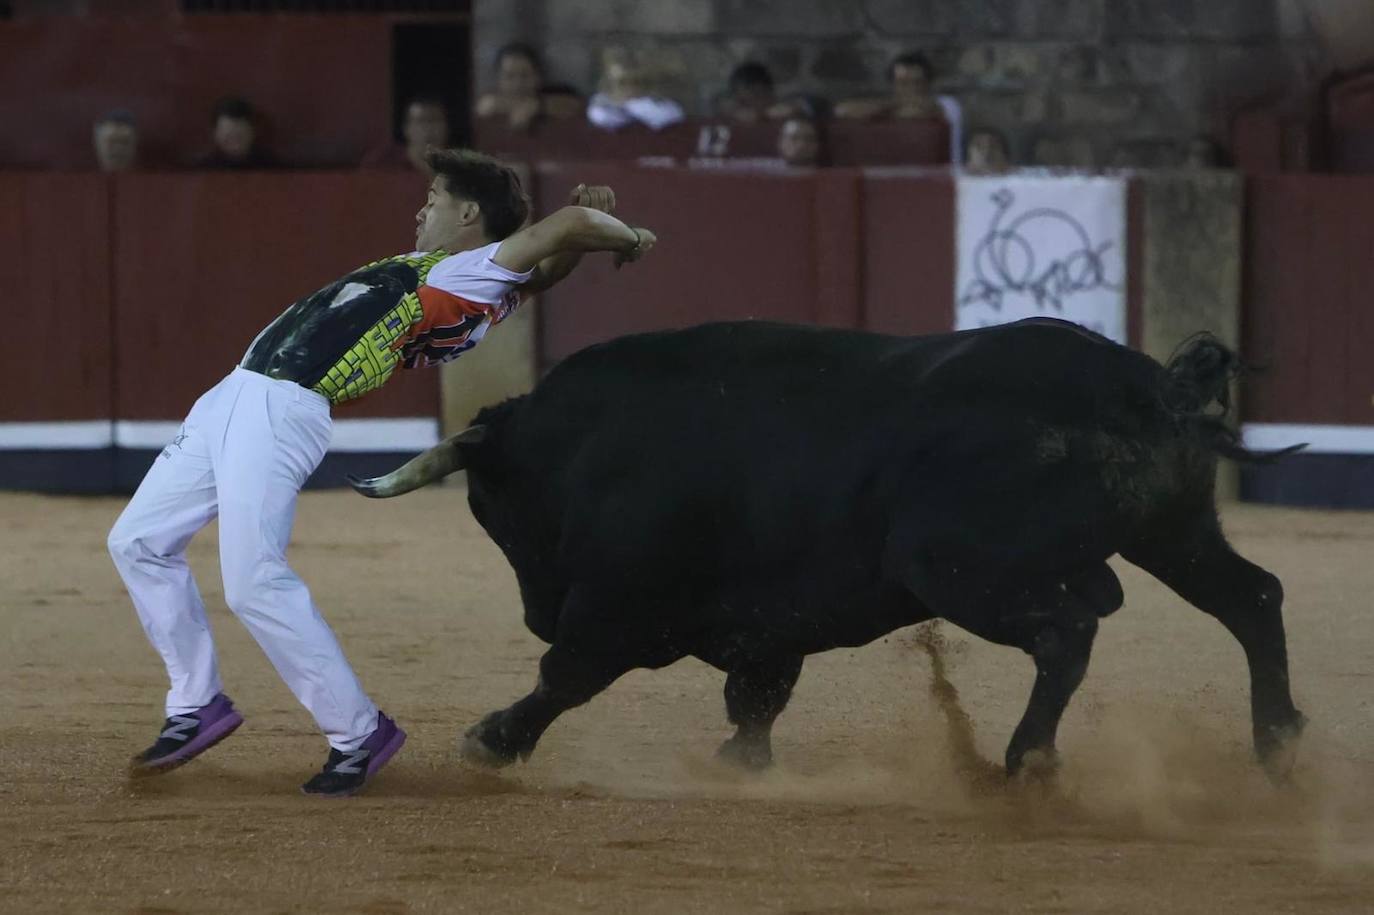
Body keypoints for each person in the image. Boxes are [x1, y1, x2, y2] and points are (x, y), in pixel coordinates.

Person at [107, 149, 657, 798]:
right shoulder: (472, 276)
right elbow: (548, 257)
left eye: (434, 199)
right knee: (138, 541)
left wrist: (624, 236)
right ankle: (195, 701)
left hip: (285, 403)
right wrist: (591, 225)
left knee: (253, 579)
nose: (421, 209)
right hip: (235, 394)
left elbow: (561, 230)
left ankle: (357, 732)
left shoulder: (468, 273)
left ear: (469, 214)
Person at [835, 52, 963, 164]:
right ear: (892, 85)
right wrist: (891, 106)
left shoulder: (948, 104)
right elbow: (842, 111)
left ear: (928, 83)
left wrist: (878, 114)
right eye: (903, 83)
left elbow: (915, 114)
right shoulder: (888, 107)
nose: (910, 89)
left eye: (917, 82)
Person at [474, 42, 581, 131]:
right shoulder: (488, 103)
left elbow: (576, 106)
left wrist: (537, 106)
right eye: (509, 76)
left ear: (538, 76)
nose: (517, 84)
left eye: (525, 76)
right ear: (498, 79)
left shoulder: (557, 95)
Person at [586, 57, 685, 131]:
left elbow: (672, 116)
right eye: (622, 82)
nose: (629, 87)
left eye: (635, 81)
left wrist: (633, 104)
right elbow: (600, 117)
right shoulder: (600, 104)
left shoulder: (657, 104)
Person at [361, 95, 449, 173]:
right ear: (406, 128)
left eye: (435, 120)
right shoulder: (382, 162)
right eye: (421, 121)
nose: (428, 128)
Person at [195, 96, 278, 169]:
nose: (235, 142)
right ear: (215, 133)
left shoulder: (275, 169)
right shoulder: (201, 170)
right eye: (228, 135)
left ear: (253, 131)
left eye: (240, 136)